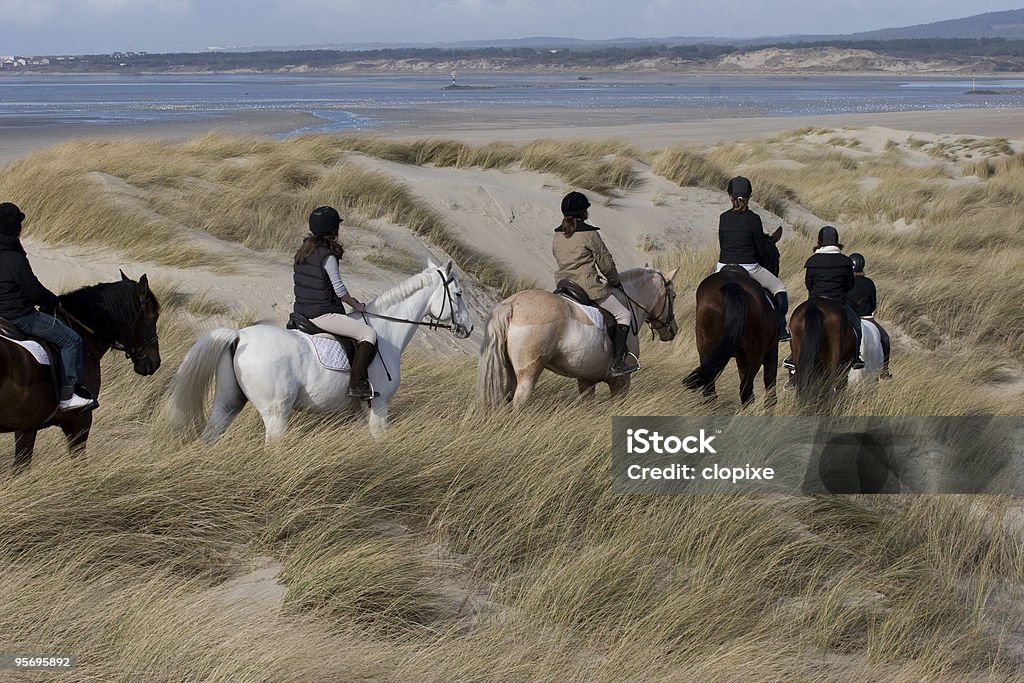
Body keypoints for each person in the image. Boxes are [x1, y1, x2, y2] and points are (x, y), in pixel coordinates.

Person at [0, 202, 95, 410]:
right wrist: (53, 301)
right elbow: (34, 292)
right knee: (72, 340)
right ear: (15, 228)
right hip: (21, 317)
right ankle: (68, 395)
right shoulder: (15, 259)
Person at [293, 206, 378, 399]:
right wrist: (355, 305)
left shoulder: (303, 251)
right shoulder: (327, 255)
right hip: (322, 315)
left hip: (301, 313)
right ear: (333, 229)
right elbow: (339, 290)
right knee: (368, 333)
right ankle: (357, 385)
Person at [553, 191, 636, 376]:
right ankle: (617, 363)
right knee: (623, 314)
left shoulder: (558, 235)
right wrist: (614, 281)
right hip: (587, 287)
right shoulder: (589, 233)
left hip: (564, 286)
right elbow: (605, 262)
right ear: (584, 212)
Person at [715, 176, 789, 341]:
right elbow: (761, 249)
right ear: (749, 197)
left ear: (730, 196)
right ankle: (781, 327)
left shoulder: (723, 217)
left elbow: (722, 244)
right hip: (749, 267)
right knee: (779, 288)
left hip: (723, 266)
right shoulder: (754, 219)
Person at [803, 226, 865, 370]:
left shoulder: (812, 261)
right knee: (857, 325)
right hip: (838, 302)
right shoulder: (845, 261)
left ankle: (793, 357)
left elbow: (809, 284)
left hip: (815, 300)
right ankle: (856, 357)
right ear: (837, 242)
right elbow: (849, 284)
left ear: (819, 242)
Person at [848, 253, 892, 379]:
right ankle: (884, 370)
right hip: (868, 319)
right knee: (885, 339)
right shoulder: (869, 283)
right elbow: (873, 304)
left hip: (850, 319)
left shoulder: (845, 283)